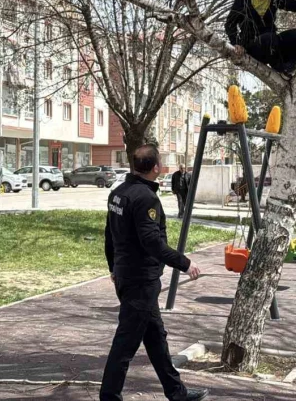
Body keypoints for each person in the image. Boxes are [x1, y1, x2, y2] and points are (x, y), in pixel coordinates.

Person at [101, 145, 208, 401]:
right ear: (156, 167)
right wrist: (184, 263)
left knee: (156, 339)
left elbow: (110, 235)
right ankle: (109, 397)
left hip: (128, 276)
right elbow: (152, 242)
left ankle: (176, 392)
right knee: (124, 345)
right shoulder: (145, 198)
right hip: (140, 280)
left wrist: (113, 266)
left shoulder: (118, 193)